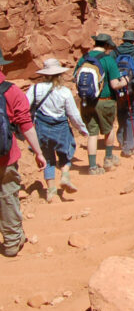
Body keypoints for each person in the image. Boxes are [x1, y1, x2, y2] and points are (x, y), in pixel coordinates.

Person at [0, 50, 46, 257]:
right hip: (5, 157)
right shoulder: (10, 91)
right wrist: (38, 152)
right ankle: (11, 241)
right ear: (2, 66)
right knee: (8, 195)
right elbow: (25, 124)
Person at [26, 59, 88, 203]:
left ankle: (51, 192)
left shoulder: (35, 89)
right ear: (59, 74)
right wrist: (82, 129)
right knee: (66, 152)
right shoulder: (64, 92)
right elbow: (73, 114)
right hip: (61, 127)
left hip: (42, 127)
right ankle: (65, 176)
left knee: (47, 159)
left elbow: (25, 106)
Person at [74, 34, 129, 175]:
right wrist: (126, 81)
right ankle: (108, 159)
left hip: (87, 102)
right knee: (108, 129)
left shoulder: (84, 58)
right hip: (105, 101)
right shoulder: (108, 60)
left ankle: (92, 167)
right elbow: (115, 84)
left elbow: (76, 78)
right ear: (106, 46)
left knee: (92, 134)